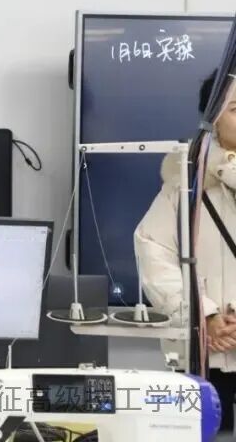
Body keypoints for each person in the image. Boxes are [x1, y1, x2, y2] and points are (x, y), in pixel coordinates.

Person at [136, 68, 236, 431]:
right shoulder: (185, 183)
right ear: (212, 119)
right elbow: (154, 252)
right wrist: (204, 314)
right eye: (235, 109)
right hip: (203, 355)